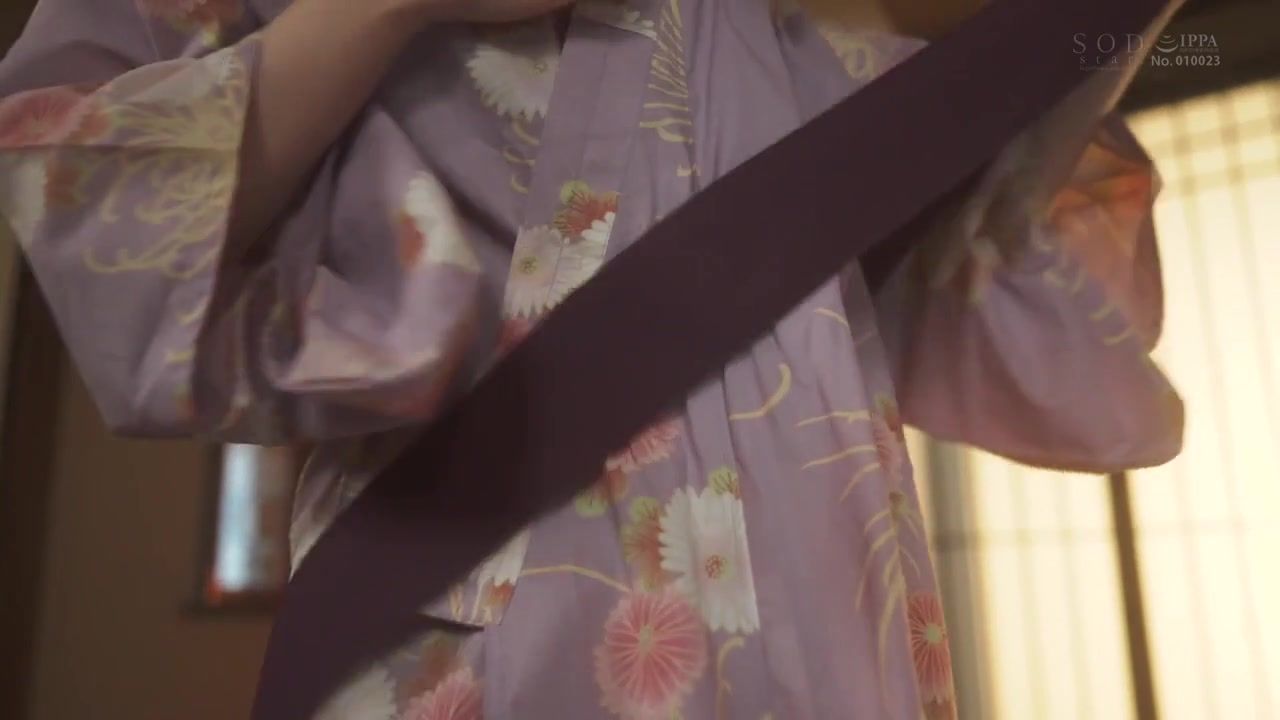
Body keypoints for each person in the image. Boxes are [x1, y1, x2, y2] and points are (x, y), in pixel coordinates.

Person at [0, 0, 1182, 717]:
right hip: (476, 625)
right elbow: (94, 206)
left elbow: (1012, 270)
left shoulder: (807, 51)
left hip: (831, 622)